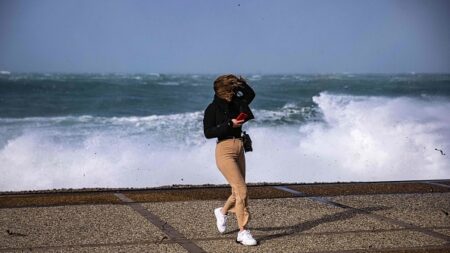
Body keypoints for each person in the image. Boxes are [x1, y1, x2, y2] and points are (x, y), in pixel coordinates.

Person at [203, 74, 257, 246]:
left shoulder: (237, 103)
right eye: (230, 90)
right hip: (224, 150)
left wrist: (239, 82)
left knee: (237, 191)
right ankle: (243, 231)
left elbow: (250, 95)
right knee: (242, 190)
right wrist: (228, 125)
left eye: (234, 90)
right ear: (222, 91)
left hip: (240, 147)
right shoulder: (212, 109)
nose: (233, 93)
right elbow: (208, 132)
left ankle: (222, 211)